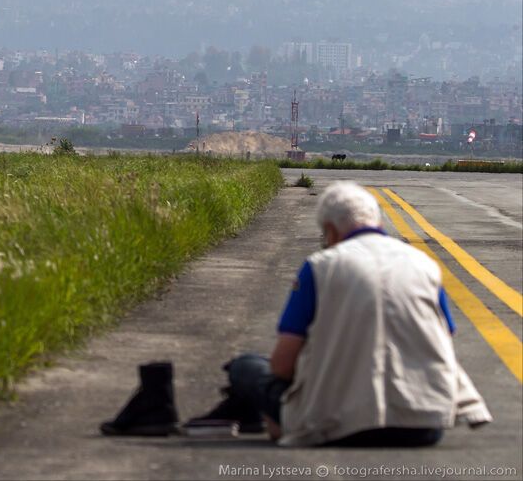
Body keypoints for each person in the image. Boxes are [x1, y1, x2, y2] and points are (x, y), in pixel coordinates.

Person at [103, 181, 491, 446]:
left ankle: (260, 414)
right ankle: (265, 416)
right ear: (376, 222)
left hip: (341, 427)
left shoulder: (321, 266)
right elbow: (444, 347)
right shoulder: (424, 266)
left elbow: (283, 366)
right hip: (424, 427)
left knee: (246, 367)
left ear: (331, 230)